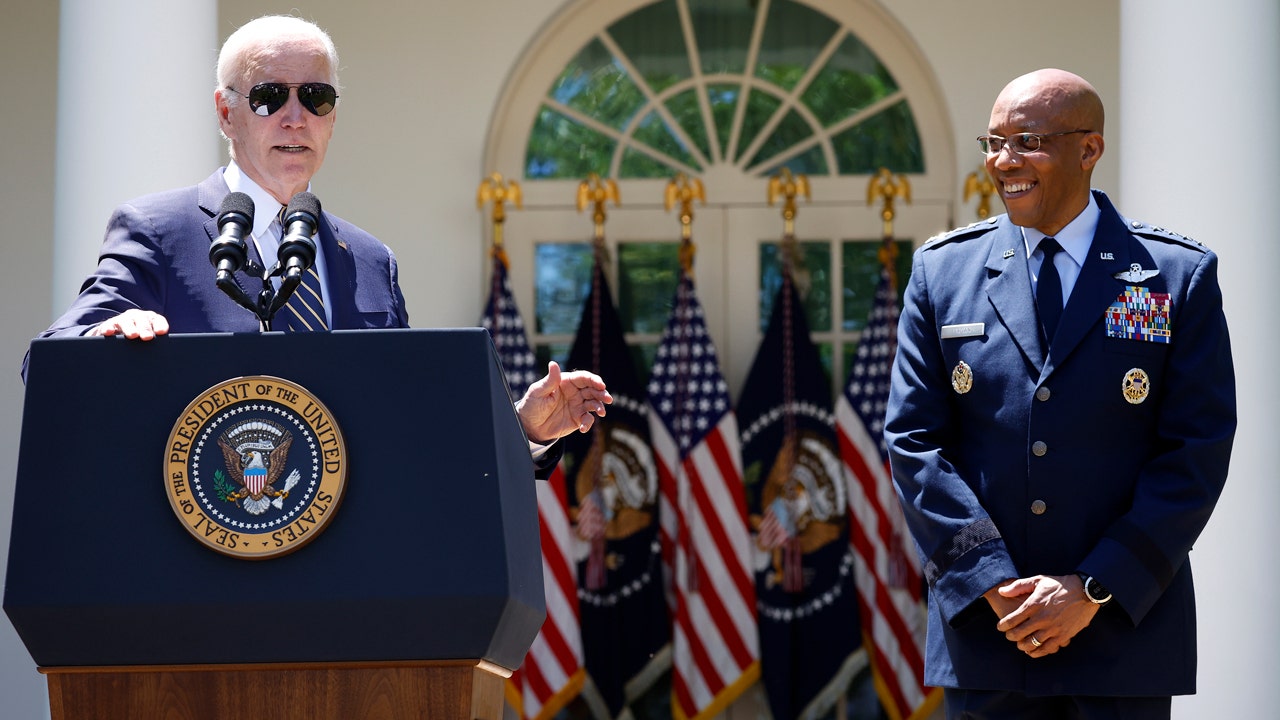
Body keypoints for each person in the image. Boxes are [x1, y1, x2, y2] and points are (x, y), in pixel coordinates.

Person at [28, 14, 610, 454]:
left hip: (349, 590)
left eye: (315, 97)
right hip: (203, 570)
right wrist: (107, 337)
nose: (294, 116)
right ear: (226, 113)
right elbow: (50, 361)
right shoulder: (159, 230)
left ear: (332, 117)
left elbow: (409, 426)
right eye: (267, 96)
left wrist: (522, 427)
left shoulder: (368, 259)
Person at [884, 68, 1235, 719]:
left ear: (1089, 149)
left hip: (1122, 639)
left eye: (1028, 142)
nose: (1003, 161)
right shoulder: (942, 271)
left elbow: (1196, 451)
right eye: (994, 141)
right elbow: (913, 443)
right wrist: (990, 581)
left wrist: (1093, 588)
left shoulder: (1175, 275)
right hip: (992, 637)